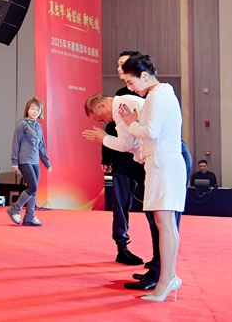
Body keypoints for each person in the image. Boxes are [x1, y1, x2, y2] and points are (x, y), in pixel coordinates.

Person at [119, 55, 186, 301]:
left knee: (165, 225)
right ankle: (169, 277)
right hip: (162, 162)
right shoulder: (160, 94)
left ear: (144, 76)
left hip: (163, 163)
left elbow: (150, 131)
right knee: (166, 225)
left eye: (130, 82)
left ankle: (166, 281)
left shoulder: (158, 95)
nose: (130, 88)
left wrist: (130, 123)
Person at [83, 93, 147, 263]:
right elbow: (108, 133)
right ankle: (122, 247)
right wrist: (106, 159)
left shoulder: (124, 103)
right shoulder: (114, 109)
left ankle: (159, 251)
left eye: (100, 118)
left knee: (150, 205)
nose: (103, 121)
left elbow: (111, 137)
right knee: (120, 205)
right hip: (121, 163)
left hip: (142, 160)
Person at [6, 98, 52, 227]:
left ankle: (29, 217)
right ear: (27, 109)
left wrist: (46, 162)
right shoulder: (22, 124)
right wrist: (14, 160)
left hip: (35, 161)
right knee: (33, 187)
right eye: (32, 108)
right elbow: (16, 143)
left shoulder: (39, 126)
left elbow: (41, 146)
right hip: (24, 160)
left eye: (37, 109)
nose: (35, 111)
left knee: (34, 190)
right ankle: (15, 208)